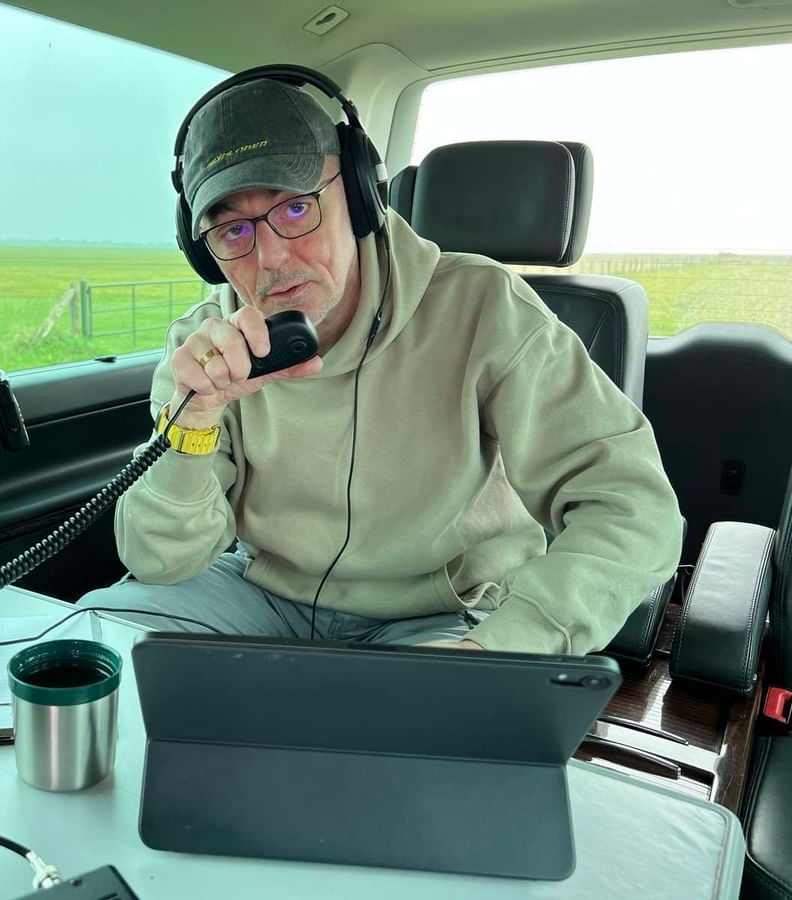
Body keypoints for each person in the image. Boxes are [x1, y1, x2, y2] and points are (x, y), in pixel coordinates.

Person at [78, 69, 682, 655]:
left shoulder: (486, 309)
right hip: (265, 595)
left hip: (444, 612)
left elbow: (633, 507)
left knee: (431, 721)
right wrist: (192, 425)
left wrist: (500, 646)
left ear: (362, 194)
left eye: (296, 209)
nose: (272, 258)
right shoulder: (206, 347)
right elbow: (162, 561)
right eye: (233, 230)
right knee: (93, 645)